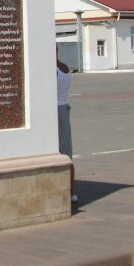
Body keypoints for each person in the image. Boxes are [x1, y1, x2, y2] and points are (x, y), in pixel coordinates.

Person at [56, 58, 78, 203]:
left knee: (61, 149)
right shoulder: (64, 67)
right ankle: (72, 191)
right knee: (67, 149)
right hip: (64, 107)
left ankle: (69, 191)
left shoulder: (53, 70)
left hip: (56, 109)